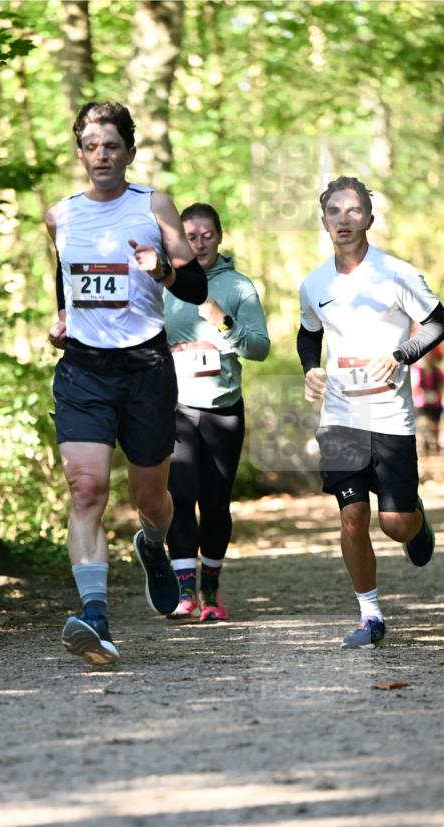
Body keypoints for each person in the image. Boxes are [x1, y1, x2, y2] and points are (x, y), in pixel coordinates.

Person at [46, 102, 207, 665]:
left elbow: (193, 286)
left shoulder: (152, 206)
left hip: (145, 368)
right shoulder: (60, 215)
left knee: (150, 498)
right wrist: (61, 319)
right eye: (91, 145)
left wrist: (160, 269)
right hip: (84, 369)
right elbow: (64, 281)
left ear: (129, 152)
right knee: (86, 489)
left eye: (111, 145)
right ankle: (95, 618)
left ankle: (155, 546)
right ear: (80, 152)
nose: (101, 155)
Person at [297, 176, 443, 649]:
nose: (344, 219)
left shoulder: (397, 274)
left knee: (394, 525)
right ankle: (371, 616)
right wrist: (308, 369)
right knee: (352, 516)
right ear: (324, 221)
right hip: (340, 417)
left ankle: (414, 515)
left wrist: (402, 355)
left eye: (353, 210)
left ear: (369, 219)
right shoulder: (314, 282)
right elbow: (308, 332)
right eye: (334, 211)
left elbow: (439, 320)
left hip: (389, 417)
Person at [164, 203, 270, 620]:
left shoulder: (239, 286)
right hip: (176, 406)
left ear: (220, 236)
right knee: (180, 493)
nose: (200, 242)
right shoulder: (165, 285)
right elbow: (143, 341)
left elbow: (260, 348)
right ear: (181, 242)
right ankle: (185, 592)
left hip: (224, 409)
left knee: (215, 501)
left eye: (207, 234)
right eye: (191, 236)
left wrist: (223, 324)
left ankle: (211, 591)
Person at [412, 345, 443, 456]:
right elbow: (414, 388)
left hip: (435, 404)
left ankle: (433, 452)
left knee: (434, 430)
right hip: (421, 405)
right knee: (423, 426)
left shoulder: (437, 371)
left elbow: (440, 387)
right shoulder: (416, 370)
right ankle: (421, 451)